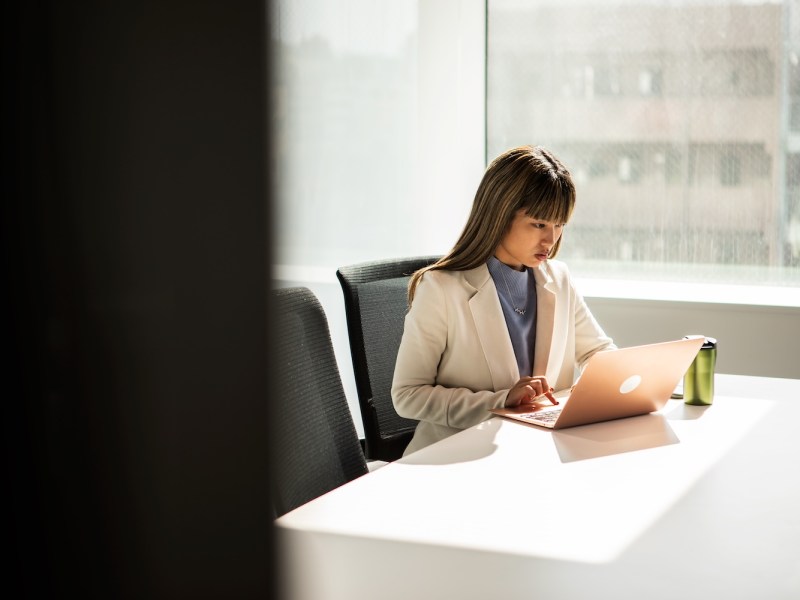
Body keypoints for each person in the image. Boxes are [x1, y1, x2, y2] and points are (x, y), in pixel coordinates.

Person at [391, 145, 615, 456]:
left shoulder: (559, 279)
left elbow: (599, 354)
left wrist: (598, 385)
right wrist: (500, 402)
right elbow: (407, 395)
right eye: (539, 224)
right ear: (499, 214)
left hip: (535, 453)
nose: (551, 240)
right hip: (457, 458)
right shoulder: (441, 288)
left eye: (559, 225)